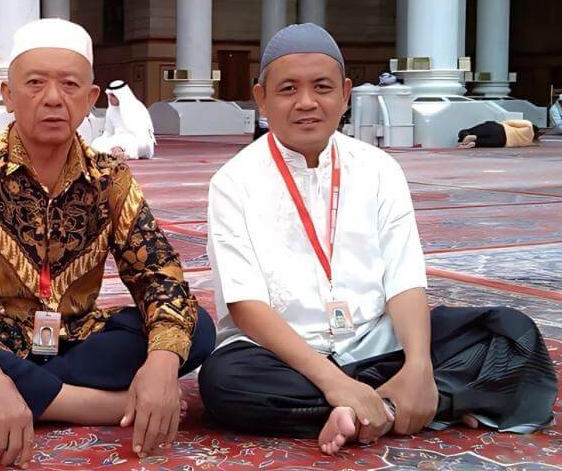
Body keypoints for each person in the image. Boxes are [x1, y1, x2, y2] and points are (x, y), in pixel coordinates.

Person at [197, 23, 557, 455]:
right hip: (281, 356)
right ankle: (400, 405)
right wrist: (333, 381)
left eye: (322, 87)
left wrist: (419, 365)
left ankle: (376, 406)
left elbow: (405, 277)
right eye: (288, 89)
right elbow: (245, 305)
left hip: (375, 343)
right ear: (261, 99)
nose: (306, 102)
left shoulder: (379, 168)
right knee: (225, 383)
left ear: (345, 94)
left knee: (512, 332)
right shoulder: (233, 181)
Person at [0, 18, 215, 469]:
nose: (53, 98)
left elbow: (159, 275)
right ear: (8, 94)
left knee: (194, 328)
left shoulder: (109, 177)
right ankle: (95, 405)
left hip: (76, 340)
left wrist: (160, 363)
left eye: (69, 85)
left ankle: (8, 403)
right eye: (35, 83)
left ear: (91, 99)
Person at [91, 81, 156, 160]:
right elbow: (108, 132)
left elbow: (143, 134)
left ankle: (122, 152)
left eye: (113, 96)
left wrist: (122, 144)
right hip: (117, 138)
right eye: (109, 95)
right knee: (96, 143)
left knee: (142, 145)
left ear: (120, 96)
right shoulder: (110, 110)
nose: (110, 98)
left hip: (135, 139)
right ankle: (116, 152)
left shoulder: (137, 108)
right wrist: (107, 142)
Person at [457, 119, 538, 148]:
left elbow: (509, 122)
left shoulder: (529, 125)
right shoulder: (528, 142)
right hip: (501, 142)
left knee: (466, 131)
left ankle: (470, 137)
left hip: (500, 129)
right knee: (481, 142)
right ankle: (474, 143)